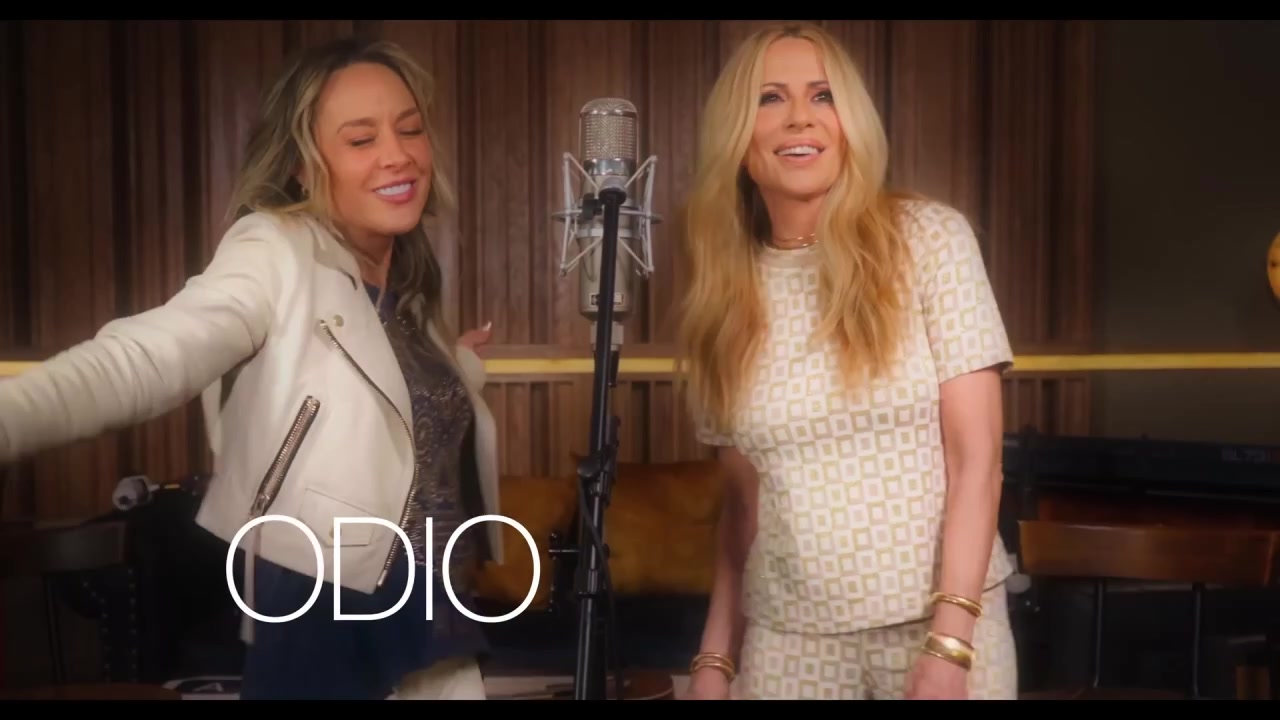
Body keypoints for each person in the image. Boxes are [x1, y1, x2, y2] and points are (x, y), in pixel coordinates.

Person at [0, 37, 505, 700]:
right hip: (326, 614)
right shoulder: (274, 250)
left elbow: (382, 407)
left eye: (409, 129)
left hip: (435, 619)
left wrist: (456, 365)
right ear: (301, 165)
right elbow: (146, 357)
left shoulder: (406, 292)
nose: (398, 153)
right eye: (361, 139)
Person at [674, 22, 1018, 701]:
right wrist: (714, 661)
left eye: (823, 95)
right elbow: (742, 511)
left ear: (850, 122)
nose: (800, 117)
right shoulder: (722, 297)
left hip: (940, 627)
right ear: (739, 140)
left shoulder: (931, 239)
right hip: (789, 641)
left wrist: (949, 646)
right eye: (770, 97)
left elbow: (977, 462)